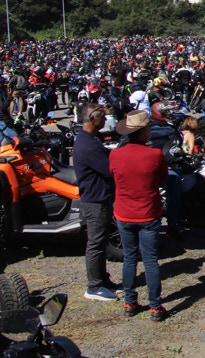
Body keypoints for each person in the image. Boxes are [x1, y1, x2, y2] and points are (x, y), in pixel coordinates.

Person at [109, 110, 169, 322]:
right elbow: (162, 178)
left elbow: (113, 176)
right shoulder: (154, 155)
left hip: (124, 212)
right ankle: (155, 306)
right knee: (150, 260)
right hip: (148, 212)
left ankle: (129, 301)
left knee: (130, 258)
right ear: (144, 132)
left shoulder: (115, 155)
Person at [74, 103, 120, 301]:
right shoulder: (89, 145)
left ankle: (102, 279)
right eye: (102, 117)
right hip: (95, 199)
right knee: (96, 242)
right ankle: (94, 286)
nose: (105, 120)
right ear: (93, 119)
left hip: (99, 196)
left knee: (101, 241)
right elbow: (108, 169)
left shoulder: (90, 139)